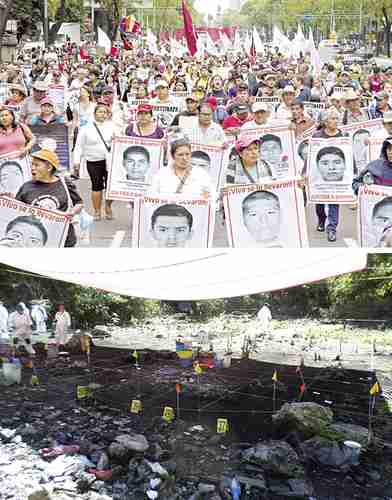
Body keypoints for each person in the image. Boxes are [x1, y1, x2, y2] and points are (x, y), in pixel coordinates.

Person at [15, 149, 83, 247]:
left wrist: (72, 212)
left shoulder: (65, 183)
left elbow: (79, 203)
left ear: (49, 167)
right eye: (32, 164)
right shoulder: (26, 187)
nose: (32, 168)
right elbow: (15, 211)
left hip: (64, 240)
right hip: (35, 241)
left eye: (36, 165)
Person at [73, 103, 115, 220]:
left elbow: (119, 142)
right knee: (97, 186)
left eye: (105, 112)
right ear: (94, 113)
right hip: (93, 160)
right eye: (100, 112)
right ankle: (97, 210)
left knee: (110, 186)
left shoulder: (112, 127)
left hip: (109, 161)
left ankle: (108, 206)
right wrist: (76, 161)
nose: (102, 114)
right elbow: (78, 146)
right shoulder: (86, 128)